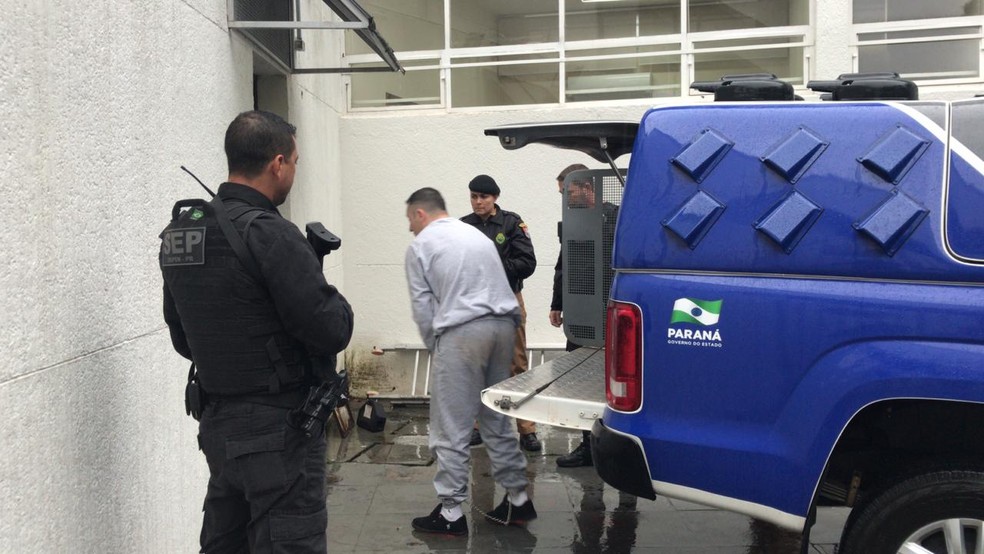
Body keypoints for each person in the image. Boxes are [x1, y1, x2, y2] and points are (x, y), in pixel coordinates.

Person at [160, 110, 354, 553]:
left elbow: (182, 338)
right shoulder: (272, 234)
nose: (294, 173)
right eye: (296, 163)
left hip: (219, 428)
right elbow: (331, 331)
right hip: (279, 433)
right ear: (278, 163)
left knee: (226, 543)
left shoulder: (180, 234)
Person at [404, 187, 537, 535]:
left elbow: (423, 308)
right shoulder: (473, 234)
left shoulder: (421, 245)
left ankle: (450, 512)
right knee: (494, 419)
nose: (409, 229)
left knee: (450, 425)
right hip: (503, 327)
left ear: (421, 214)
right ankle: (519, 501)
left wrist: (440, 352)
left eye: (410, 220)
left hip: (463, 334)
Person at [460, 174, 541, 452]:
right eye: (473, 196)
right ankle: (480, 427)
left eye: (483, 196)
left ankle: (526, 430)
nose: (477, 202)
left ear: (494, 198)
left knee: (516, 365)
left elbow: (527, 262)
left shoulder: (511, 223)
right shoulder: (463, 226)